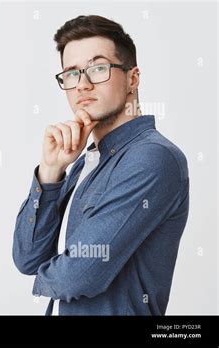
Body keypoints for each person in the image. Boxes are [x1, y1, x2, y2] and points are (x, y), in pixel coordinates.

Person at [12, 15, 189, 315]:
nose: (82, 84)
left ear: (132, 78)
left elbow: (79, 274)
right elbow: (27, 257)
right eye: (71, 73)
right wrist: (51, 172)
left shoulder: (153, 158)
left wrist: (46, 275)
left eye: (98, 68)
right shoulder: (85, 163)